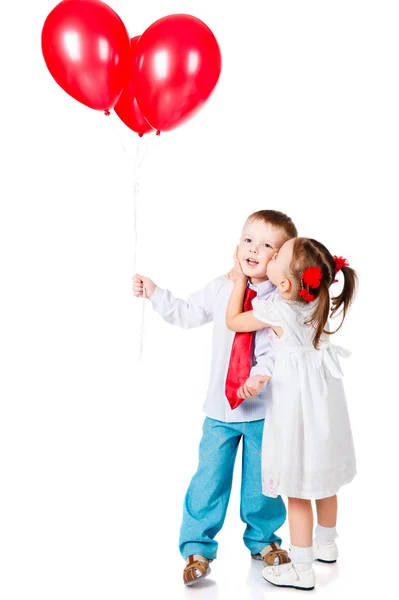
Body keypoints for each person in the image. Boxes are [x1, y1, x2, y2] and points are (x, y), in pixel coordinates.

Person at [132, 210, 297, 585]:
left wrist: (260, 377)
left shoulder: (279, 303)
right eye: (248, 239)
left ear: (282, 259)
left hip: (261, 411)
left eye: (267, 245)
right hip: (220, 411)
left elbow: (275, 350)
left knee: (262, 482)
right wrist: (155, 292)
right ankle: (196, 548)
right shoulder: (222, 288)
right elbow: (188, 314)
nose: (254, 249)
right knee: (209, 478)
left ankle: (263, 539)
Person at [226, 237, 357, 590]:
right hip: (325, 413)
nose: (273, 250)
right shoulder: (317, 304)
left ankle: (301, 569)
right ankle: (326, 545)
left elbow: (234, 322)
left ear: (284, 284)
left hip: (296, 414)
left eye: (279, 252)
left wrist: (240, 280)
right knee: (324, 481)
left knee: (297, 488)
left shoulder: (278, 309)